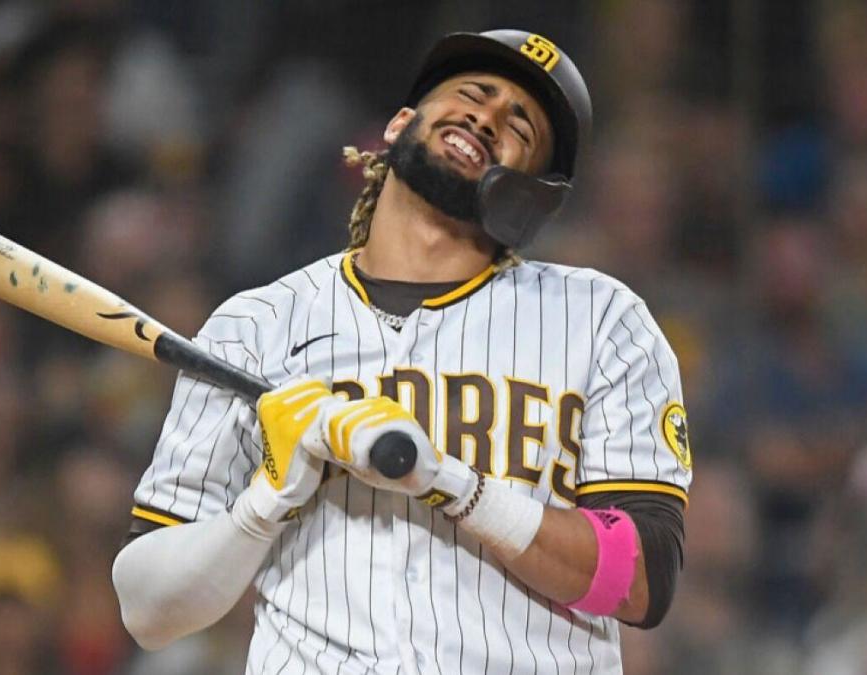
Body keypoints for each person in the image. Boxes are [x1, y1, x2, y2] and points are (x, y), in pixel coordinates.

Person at [112, 30, 691, 674]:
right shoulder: (259, 324)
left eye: (519, 126)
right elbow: (148, 611)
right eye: (472, 94)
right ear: (400, 123)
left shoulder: (599, 321)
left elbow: (640, 582)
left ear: (531, 196)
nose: (486, 115)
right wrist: (268, 498)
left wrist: (448, 481)